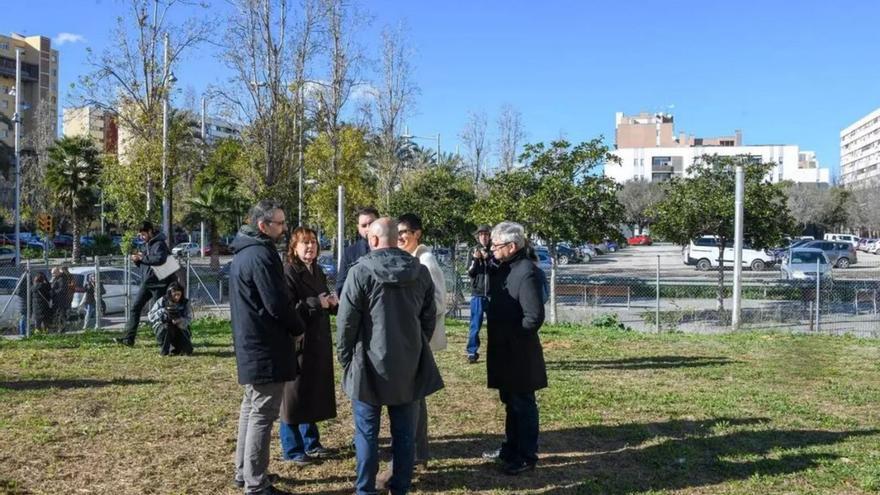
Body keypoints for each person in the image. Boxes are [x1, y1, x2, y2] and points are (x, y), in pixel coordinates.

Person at [336, 217, 444, 495]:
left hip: (367, 364)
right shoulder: (419, 272)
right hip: (407, 363)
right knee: (404, 433)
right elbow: (428, 317)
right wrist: (415, 345)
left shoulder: (360, 272)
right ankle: (401, 486)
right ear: (396, 238)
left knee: (367, 434)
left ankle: (365, 489)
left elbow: (346, 323)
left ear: (372, 240)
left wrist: (346, 359)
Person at [230, 199, 305, 495]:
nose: (284, 228)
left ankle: (244, 472)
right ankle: (256, 483)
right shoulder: (261, 254)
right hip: (265, 346)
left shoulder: (245, 251)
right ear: (263, 226)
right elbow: (276, 303)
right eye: (280, 223)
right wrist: (298, 327)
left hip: (253, 345)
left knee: (251, 410)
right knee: (261, 414)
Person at [481, 221, 547, 476]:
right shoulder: (504, 269)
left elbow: (533, 317)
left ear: (512, 246)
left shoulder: (526, 272)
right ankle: (511, 448)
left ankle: (526, 455)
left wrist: (512, 339)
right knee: (510, 402)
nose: (492, 250)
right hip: (503, 350)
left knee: (523, 404)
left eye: (496, 246)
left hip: (519, 353)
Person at [390, 213, 446, 472]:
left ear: (417, 234)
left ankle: (416, 453)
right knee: (415, 397)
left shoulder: (425, 260)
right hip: (413, 338)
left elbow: (438, 302)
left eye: (405, 232)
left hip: (420, 339)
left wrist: (416, 328)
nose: (400, 236)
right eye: (397, 232)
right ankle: (417, 452)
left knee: (415, 398)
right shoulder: (412, 258)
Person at [278, 227, 338, 466]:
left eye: (313, 242)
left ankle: (311, 442)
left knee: (312, 391)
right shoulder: (288, 272)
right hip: (298, 340)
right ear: (294, 247)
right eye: (304, 243)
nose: (310, 246)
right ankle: (292, 449)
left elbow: (321, 300)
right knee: (294, 396)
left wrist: (332, 303)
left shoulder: (318, 270)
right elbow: (288, 308)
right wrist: (317, 303)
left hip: (318, 339)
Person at [115, 221, 172, 346]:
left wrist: (142, 258)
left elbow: (160, 259)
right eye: (140, 235)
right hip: (147, 283)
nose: (142, 237)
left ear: (151, 231)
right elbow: (147, 264)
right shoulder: (147, 245)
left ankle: (164, 341)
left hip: (159, 284)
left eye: (143, 234)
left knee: (159, 312)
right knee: (135, 308)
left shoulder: (159, 244)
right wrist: (137, 261)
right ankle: (128, 339)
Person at [466, 224, 494, 363]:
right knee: (475, 325)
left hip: (492, 294)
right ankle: (472, 352)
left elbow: (497, 269)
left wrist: (488, 258)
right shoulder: (473, 251)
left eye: (486, 234)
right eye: (481, 234)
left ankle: (496, 351)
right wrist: (477, 260)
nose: (484, 237)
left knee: (495, 325)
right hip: (477, 294)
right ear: (478, 237)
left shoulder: (495, 250)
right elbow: (470, 272)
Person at [335, 206, 379, 295]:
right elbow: (340, 287)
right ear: (358, 228)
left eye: (371, 223)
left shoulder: (392, 248)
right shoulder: (349, 253)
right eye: (363, 226)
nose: (368, 228)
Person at [147, 281, 194, 356]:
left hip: (180, 328)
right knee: (167, 327)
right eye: (174, 294)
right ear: (170, 293)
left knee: (188, 351)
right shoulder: (162, 300)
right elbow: (150, 316)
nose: (177, 297)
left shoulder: (185, 303)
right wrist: (163, 311)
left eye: (179, 294)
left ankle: (178, 348)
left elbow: (189, 319)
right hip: (164, 329)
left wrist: (180, 320)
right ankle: (165, 350)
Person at [50, 267, 68, 332]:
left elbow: (62, 289)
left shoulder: (62, 279)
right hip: (56, 300)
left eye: (54, 273)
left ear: (58, 272)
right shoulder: (56, 279)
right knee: (57, 315)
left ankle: (61, 329)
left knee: (61, 315)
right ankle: (58, 328)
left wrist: (54, 292)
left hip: (61, 301)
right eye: (52, 274)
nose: (53, 275)